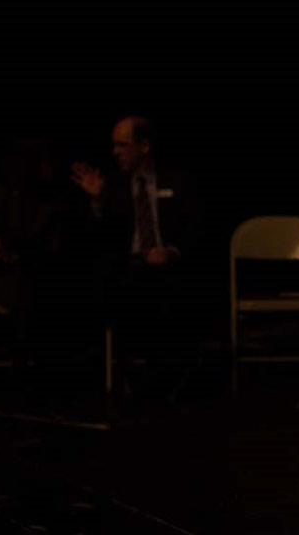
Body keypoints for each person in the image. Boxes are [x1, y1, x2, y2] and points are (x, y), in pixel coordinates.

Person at [70, 116, 201, 398]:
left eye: (122, 145)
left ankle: (174, 377)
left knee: (175, 286)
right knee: (118, 284)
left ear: (144, 146)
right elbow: (100, 239)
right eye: (113, 145)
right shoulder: (114, 186)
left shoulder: (176, 179)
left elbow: (195, 229)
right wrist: (97, 202)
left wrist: (170, 251)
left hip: (168, 264)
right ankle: (132, 374)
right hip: (128, 267)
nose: (115, 152)